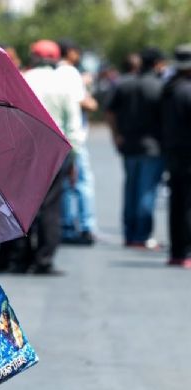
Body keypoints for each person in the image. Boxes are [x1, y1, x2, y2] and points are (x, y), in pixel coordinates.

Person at [0, 40, 76, 275]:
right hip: (56, 147)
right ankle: (44, 259)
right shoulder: (63, 85)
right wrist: (75, 157)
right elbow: (72, 126)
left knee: (20, 203)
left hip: (23, 147)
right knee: (50, 207)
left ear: (33, 57)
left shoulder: (22, 79)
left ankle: (18, 257)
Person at [106, 48, 166, 250]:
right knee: (146, 191)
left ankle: (130, 233)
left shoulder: (125, 84)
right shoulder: (160, 87)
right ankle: (142, 235)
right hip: (153, 147)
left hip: (128, 145)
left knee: (131, 190)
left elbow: (110, 112)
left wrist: (116, 136)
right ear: (157, 63)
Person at [56, 39, 99, 245]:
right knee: (82, 183)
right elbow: (82, 102)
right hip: (75, 138)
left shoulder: (55, 72)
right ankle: (86, 226)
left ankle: (65, 224)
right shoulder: (71, 73)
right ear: (70, 52)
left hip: (58, 137)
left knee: (64, 183)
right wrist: (91, 99)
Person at [161, 44, 191, 268]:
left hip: (173, 153)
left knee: (176, 203)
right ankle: (186, 252)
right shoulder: (187, 90)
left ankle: (177, 252)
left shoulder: (168, 88)